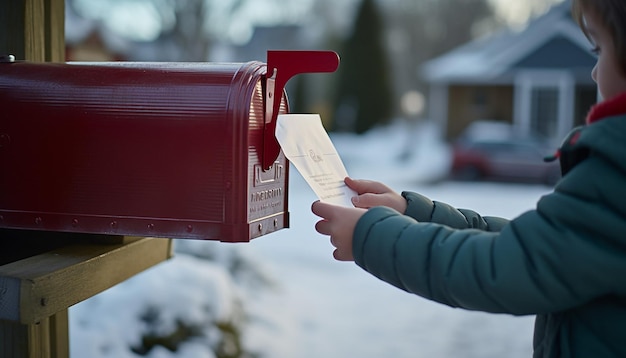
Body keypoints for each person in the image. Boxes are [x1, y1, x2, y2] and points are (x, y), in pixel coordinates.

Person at [311, 0, 626, 357]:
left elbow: (508, 267)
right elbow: (539, 245)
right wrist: (412, 212)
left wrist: (370, 236)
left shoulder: (618, 168)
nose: (595, 74)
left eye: (599, 49)